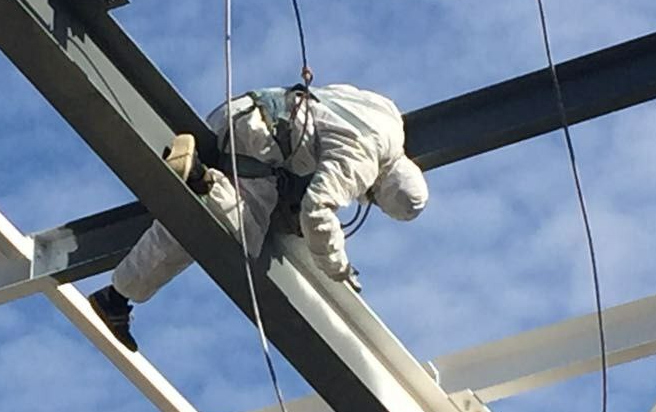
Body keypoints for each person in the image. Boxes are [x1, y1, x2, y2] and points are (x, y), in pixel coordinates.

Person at [89, 83, 428, 351]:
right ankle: (202, 181)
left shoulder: (386, 115)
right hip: (253, 143)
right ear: (383, 189)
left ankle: (116, 297)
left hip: (248, 112)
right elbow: (317, 211)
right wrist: (338, 267)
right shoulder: (363, 160)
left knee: (186, 225)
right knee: (241, 237)